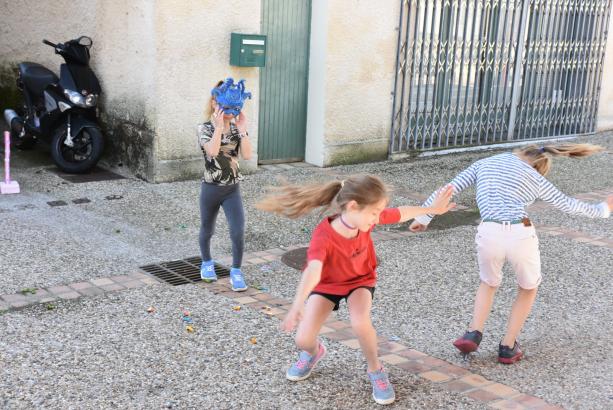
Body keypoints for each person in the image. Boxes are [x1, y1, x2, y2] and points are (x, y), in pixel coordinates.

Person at [257, 175, 454, 405]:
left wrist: (432, 209)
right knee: (303, 339)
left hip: (360, 280)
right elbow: (313, 270)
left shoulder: (364, 219)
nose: (377, 217)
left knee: (360, 322)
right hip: (327, 284)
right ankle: (313, 353)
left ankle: (376, 370)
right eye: (374, 212)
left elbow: (400, 212)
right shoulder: (324, 235)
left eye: (379, 212)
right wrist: (297, 305)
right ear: (353, 207)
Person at [409, 143, 612, 364]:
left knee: (488, 282)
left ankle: (473, 332)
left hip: (489, 231)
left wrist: (424, 218)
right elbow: (568, 204)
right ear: (538, 165)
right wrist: (604, 209)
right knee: (528, 287)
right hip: (520, 233)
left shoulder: (484, 163)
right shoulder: (534, 177)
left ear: (519, 151)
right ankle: (507, 346)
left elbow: (447, 189)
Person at [197, 78, 253, 292]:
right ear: (214, 103)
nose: (229, 110)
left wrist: (242, 129)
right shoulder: (204, 128)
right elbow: (211, 152)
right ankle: (206, 262)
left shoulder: (237, 129)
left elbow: (247, 155)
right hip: (211, 188)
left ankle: (236, 271)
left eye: (233, 107)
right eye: (224, 105)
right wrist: (219, 127)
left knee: (238, 230)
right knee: (207, 228)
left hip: (232, 190)